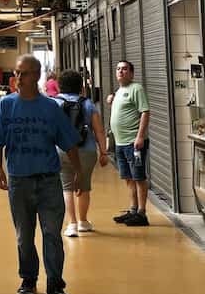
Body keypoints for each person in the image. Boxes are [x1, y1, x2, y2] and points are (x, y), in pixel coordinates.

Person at [0, 55, 83, 294]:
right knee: (23, 236)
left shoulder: (50, 108)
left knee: (52, 234)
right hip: (19, 181)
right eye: (16, 73)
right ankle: (28, 278)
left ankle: (55, 285)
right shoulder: (6, 105)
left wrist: (79, 171)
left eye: (23, 73)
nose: (18, 79)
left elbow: (68, 142)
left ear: (36, 76)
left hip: (48, 180)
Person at [51, 69, 109, 237]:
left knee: (66, 186)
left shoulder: (54, 103)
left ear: (60, 86)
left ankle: (72, 224)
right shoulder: (88, 104)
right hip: (87, 150)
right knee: (84, 186)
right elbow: (99, 131)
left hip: (61, 150)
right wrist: (104, 152)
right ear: (80, 87)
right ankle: (83, 221)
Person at [107, 59, 151, 226]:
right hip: (120, 143)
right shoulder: (118, 91)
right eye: (118, 69)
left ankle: (142, 213)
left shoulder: (136, 89)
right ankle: (133, 210)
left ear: (131, 73)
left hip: (134, 143)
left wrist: (140, 136)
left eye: (125, 69)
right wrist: (111, 101)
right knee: (128, 177)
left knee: (138, 176)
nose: (121, 71)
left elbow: (145, 112)